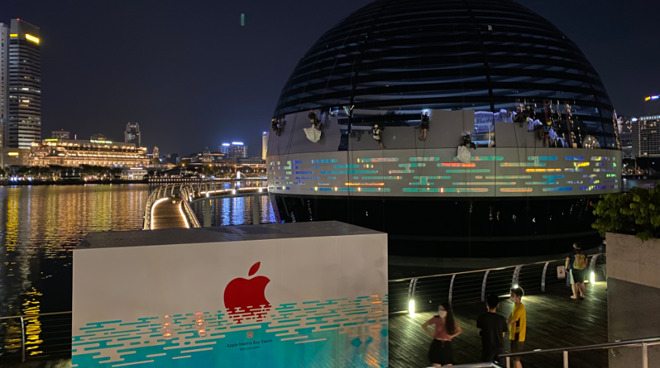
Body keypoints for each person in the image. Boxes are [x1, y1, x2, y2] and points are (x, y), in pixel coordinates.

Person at [477, 294, 508, 364]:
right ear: (498, 305)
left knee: (487, 365)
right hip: (499, 347)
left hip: (487, 347)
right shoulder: (501, 319)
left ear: (487, 304)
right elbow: (503, 334)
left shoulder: (482, 318)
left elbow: (481, 331)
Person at [507, 287, 526, 368]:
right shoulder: (516, 306)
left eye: (512, 295)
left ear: (518, 297)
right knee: (515, 358)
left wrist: (504, 328)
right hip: (514, 336)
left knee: (516, 359)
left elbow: (512, 320)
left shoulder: (520, 308)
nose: (511, 296)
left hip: (517, 337)